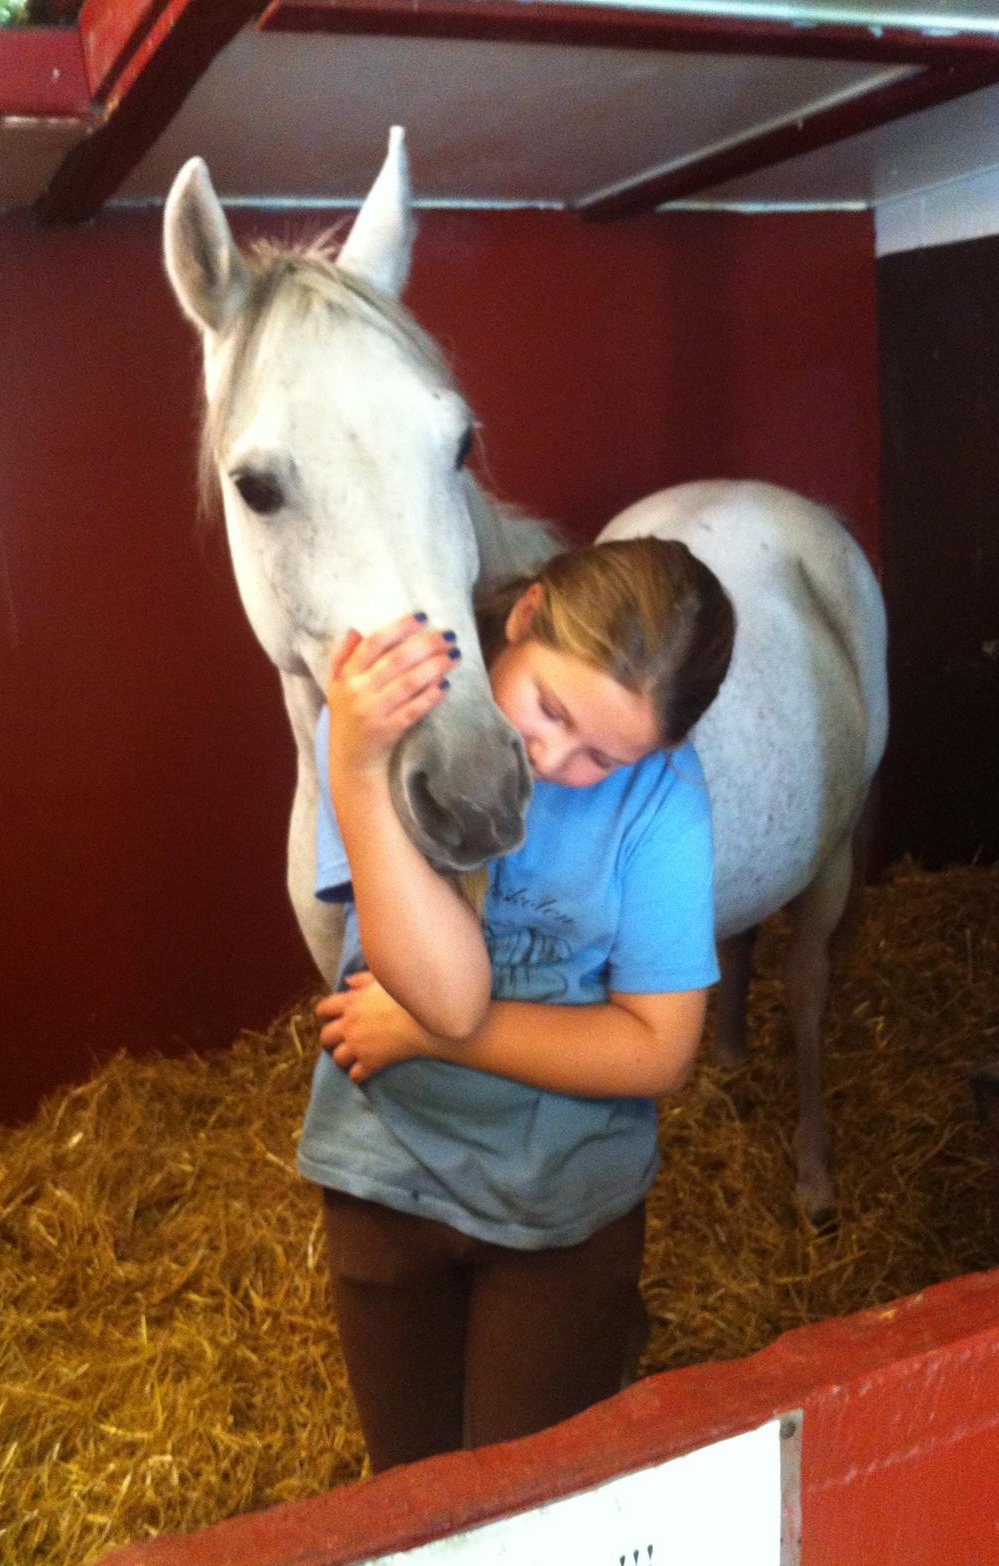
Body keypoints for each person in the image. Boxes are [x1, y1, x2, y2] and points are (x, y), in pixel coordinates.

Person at [298, 537, 735, 1473]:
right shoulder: (392, 719)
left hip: (563, 1202)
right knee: (405, 1491)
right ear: (526, 615)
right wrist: (357, 773)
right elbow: (448, 985)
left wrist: (429, 1037)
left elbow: (655, 1051)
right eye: (548, 708)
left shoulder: (663, 801)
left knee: (529, 1501)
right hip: (389, 1170)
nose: (552, 759)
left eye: (604, 759)